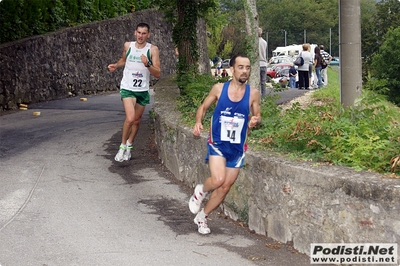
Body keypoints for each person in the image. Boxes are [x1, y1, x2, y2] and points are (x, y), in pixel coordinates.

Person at [188, 54, 261, 235]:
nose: (245, 71)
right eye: (241, 67)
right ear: (232, 69)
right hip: (218, 143)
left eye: (248, 67)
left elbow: (257, 116)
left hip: (237, 148)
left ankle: (202, 216)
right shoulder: (219, 89)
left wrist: (255, 121)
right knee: (218, 180)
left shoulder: (253, 93)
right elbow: (203, 107)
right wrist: (198, 122)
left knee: (224, 188)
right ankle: (200, 191)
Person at [108, 22, 161, 162]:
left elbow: (157, 73)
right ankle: (122, 146)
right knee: (130, 118)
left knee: (136, 121)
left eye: (144, 33)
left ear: (148, 35)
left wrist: (147, 64)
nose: (141, 36)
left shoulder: (153, 50)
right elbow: (123, 60)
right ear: (135, 32)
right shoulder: (128, 46)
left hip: (142, 90)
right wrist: (116, 65)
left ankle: (129, 145)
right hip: (127, 87)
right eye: (139, 32)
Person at [258, 27, 268, 96]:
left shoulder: (254, 43)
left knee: (256, 81)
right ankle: (263, 96)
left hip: (257, 63)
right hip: (263, 63)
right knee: (263, 82)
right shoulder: (264, 42)